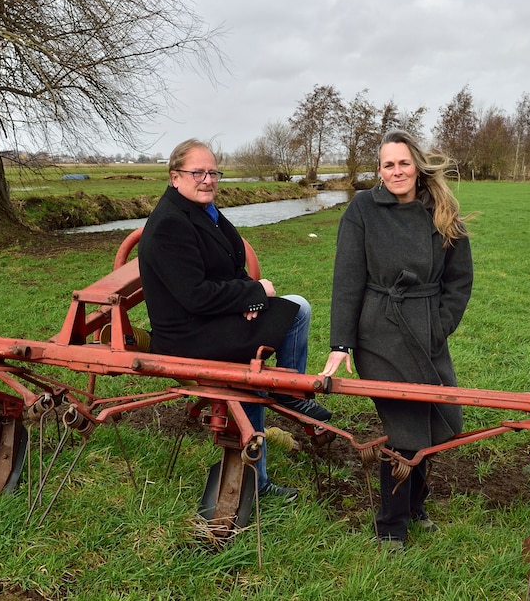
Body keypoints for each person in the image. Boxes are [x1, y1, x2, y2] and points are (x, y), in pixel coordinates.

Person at [138, 138, 331, 503]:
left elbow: (229, 267)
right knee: (255, 367)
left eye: (213, 172)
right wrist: (253, 292)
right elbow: (194, 295)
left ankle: (288, 391)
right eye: (198, 172)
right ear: (175, 177)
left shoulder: (203, 212)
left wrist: (248, 298)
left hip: (207, 320)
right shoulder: (170, 224)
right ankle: (280, 412)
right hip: (186, 335)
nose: (208, 180)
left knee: (297, 308)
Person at [320, 129, 474, 549]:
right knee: (405, 428)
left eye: (403, 163)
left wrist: (439, 325)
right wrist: (341, 344)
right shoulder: (363, 209)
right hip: (379, 331)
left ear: (417, 166)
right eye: (388, 165)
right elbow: (347, 279)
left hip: (427, 332)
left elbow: (459, 280)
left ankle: (414, 504)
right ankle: (391, 525)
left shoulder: (442, 210)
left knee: (439, 422)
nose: (397, 171)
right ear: (379, 170)